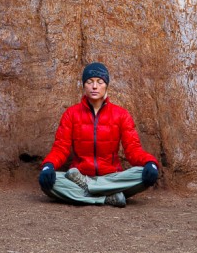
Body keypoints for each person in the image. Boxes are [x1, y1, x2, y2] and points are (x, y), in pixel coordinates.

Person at [38, 62, 160, 207]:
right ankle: (106, 197)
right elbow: (60, 147)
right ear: (84, 86)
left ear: (106, 85)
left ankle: (88, 189)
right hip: (80, 175)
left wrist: (150, 163)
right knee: (50, 182)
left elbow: (133, 149)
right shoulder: (71, 114)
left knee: (142, 174)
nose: (94, 86)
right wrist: (48, 166)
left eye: (99, 82)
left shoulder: (121, 115)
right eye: (89, 82)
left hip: (112, 177)